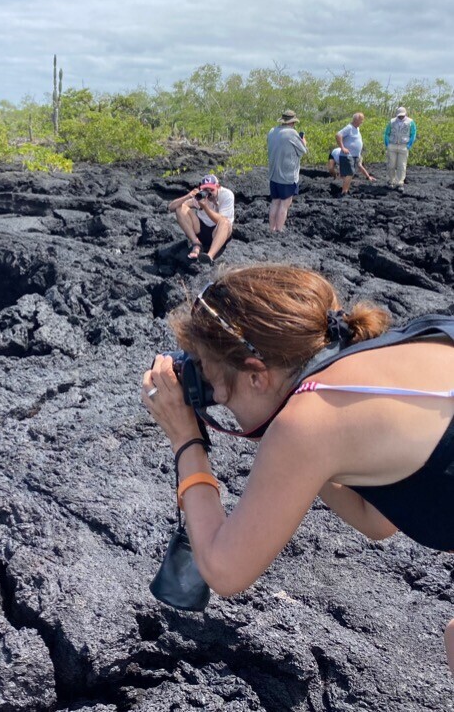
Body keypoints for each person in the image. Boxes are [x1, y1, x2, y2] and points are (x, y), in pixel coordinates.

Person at [142, 264, 454, 672]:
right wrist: (288, 442)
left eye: (217, 388)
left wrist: (186, 439)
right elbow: (378, 519)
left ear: (256, 376)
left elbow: (224, 569)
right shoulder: (382, 354)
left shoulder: (310, 420)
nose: (220, 402)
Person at [167, 174, 234, 266]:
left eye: (211, 189)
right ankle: (196, 243)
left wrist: (205, 207)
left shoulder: (226, 195)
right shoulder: (200, 197)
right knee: (180, 208)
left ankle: (209, 255)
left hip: (219, 233)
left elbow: (221, 220)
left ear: (218, 187)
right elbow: (171, 207)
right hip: (201, 230)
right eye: (205, 189)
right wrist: (188, 196)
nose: (208, 193)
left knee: (225, 222)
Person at [266, 111, 307, 232]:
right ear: (293, 122)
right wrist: (303, 141)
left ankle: (271, 229)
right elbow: (303, 151)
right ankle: (279, 229)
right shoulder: (292, 133)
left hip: (273, 175)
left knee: (275, 202)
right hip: (287, 176)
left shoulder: (272, 131)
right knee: (284, 204)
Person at [384, 106, 417, 188]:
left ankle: (400, 182)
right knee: (391, 165)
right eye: (399, 115)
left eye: (402, 115)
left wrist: (409, 145)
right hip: (392, 145)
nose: (401, 116)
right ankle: (391, 181)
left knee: (402, 165)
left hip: (404, 145)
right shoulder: (392, 121)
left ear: (405, 113)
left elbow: (413, 134)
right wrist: (387, 144)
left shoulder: (410, 122)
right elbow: (387, 133)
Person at [336, 113, 367, 195]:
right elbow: (338, 135)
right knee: (350, 173)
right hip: (347, 155)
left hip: (354, 155)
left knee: (348, 174)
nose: (362, 122)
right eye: (361, 120)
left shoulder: (357, 128)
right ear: (356, 120)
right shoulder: (349, 128)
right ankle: (344, 192)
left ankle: (345, 190)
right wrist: (342, 147)